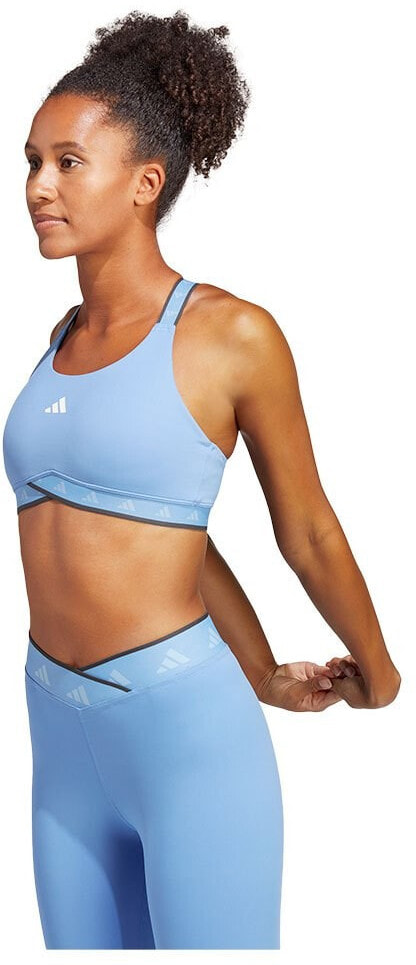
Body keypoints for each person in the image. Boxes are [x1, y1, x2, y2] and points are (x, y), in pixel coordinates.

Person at [2, 9, 400, 952]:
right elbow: (173, 535)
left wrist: (378, 672)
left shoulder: (230, 334)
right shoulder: (58, 345)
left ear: (146, 182)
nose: (37, 186)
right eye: (32, 162)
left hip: (185, 739)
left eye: (67, 162)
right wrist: (263, 666)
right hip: (58, 738)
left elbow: (309, 530)